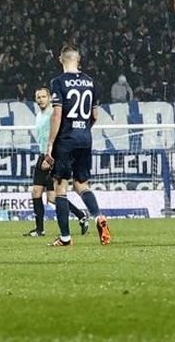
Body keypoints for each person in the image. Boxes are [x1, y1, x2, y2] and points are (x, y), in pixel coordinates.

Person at [41, 44, 111, 247]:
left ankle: (65, 237)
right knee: (81, 184)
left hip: (66, 140)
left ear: (60, 59)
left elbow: (57, 115)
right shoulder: (90, 82)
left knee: (60, 188)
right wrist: (84, 129)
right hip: (85, 139)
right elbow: (95, 115)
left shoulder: (58, 82)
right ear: (78, 59)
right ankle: (98, 216)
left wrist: (50, 144)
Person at [24, 87, 89, 237]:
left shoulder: (54, 114)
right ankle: (40, 229)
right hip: (43, 155)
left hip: (52, 156)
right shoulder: (39, 115)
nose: (40, 100)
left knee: (53, 197)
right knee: (36, 192)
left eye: (43, 97)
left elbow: (60, 135)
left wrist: (51, 156)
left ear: (49, 98)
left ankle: (81, 215)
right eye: (38, 97)